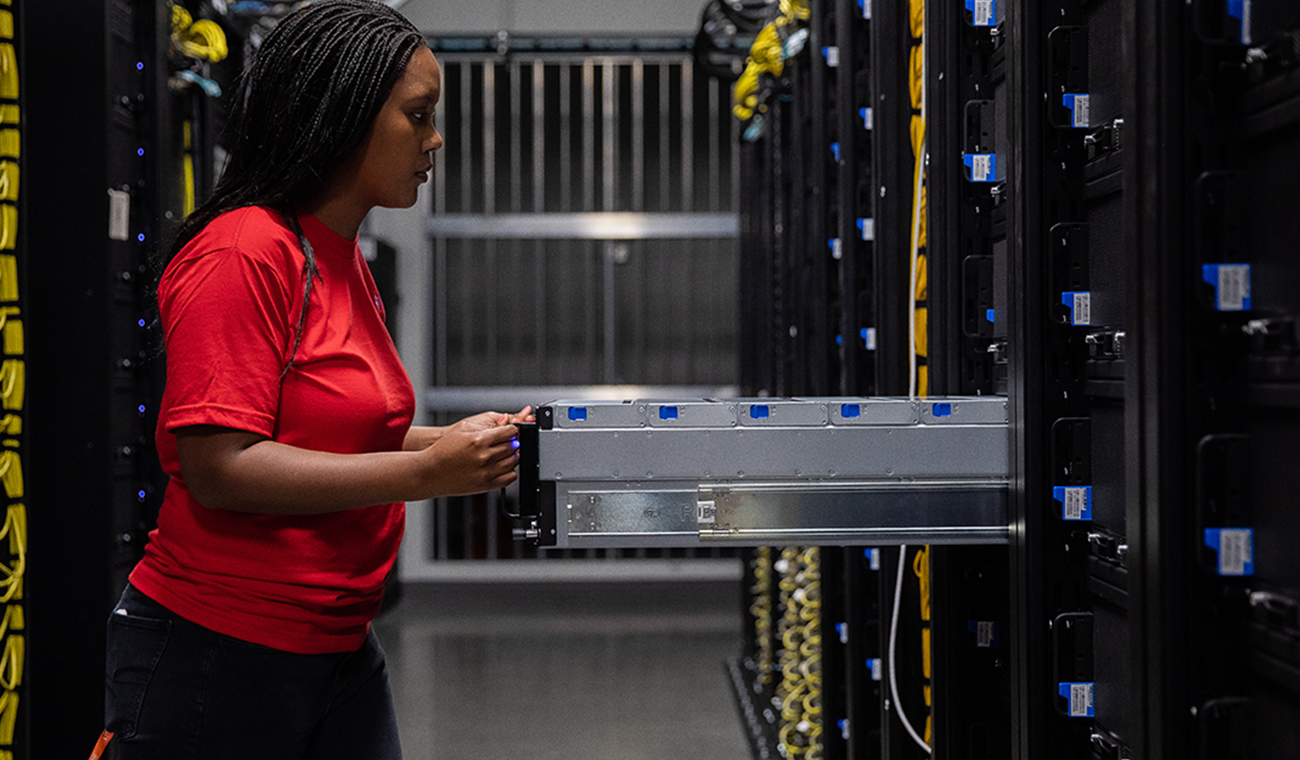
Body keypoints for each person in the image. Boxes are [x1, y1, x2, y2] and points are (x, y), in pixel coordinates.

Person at [102, 2, 527, 757]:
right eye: (418, 115)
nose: (434, 141)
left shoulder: (337, 254)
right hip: (221, 649)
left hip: (334, 642)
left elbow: (337, 428)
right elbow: (219, 466)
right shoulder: (243, 252)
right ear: (344, 114)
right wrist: (427, 472)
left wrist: (469, 446)